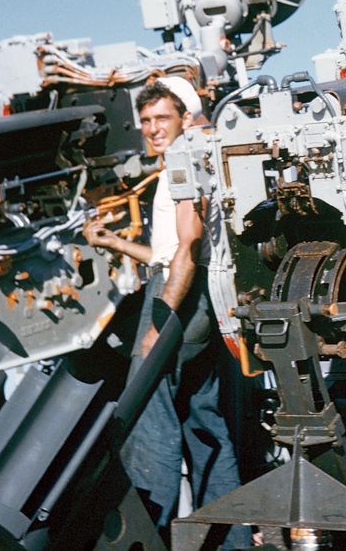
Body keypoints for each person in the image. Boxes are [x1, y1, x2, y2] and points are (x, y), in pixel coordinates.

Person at [83, 78, 248, 548]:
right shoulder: (202, 154)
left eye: (162, 118)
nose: (153, 129)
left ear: (185, 116)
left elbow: (188, 247)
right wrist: (115, 242)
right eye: (147, 121)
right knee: (206, 424)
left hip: (178, 299)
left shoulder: (182, 158)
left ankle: (145, 539)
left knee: (147, 424)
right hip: (202, 302)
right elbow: (169, 249)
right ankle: (231, 541)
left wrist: (158, 326)